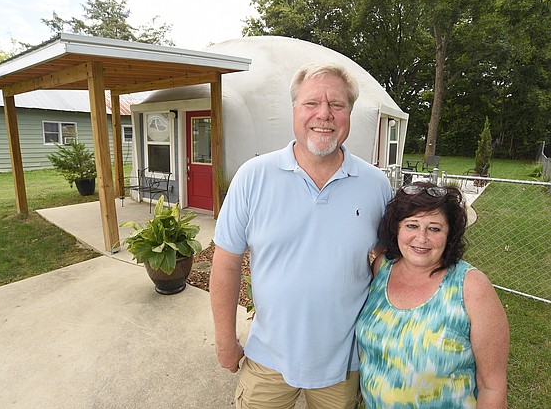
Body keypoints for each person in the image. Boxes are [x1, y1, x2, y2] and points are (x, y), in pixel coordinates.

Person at [209, 62, 393, 408]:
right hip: (267, 358)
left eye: (337, 105)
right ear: (294, 109)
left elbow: (387, 264)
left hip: (343, 365)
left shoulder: (376, 185)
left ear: (349, 113)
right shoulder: (253, 176)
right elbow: (226, 262)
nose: (324, 114)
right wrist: (224, 339)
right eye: (312, 103)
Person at [356, 182, 510, 408]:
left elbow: (492, 387)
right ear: (396, 228)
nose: (421, 238)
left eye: (434, 229)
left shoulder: (471, 287)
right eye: (412, 225)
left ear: (450, 234)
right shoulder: (381, 269)